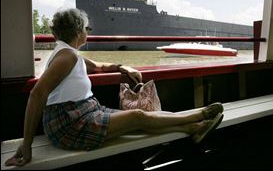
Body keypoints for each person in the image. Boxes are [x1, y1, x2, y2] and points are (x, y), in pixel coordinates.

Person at [5, 8, 224, 167]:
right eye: (86, 28)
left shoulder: (70, 54)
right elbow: (37, 94)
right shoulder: (66, 57)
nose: (88, 32)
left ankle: (193, 128)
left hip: (84, 112)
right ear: (78, 31)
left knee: (138, 120)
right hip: (69, 123)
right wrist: (27, 144)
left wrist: (122, 66)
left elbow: (98, 66)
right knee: (138, 116)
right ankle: (199, 116)